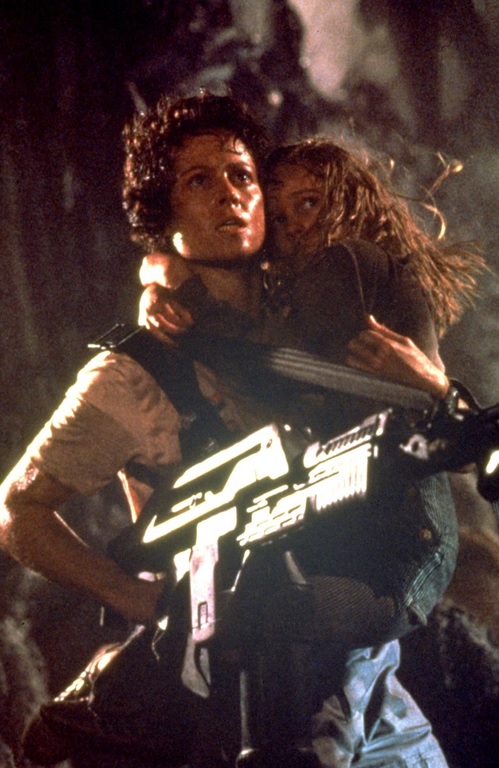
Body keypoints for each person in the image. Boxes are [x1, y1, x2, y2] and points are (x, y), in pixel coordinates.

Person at [0, 92, 463, 768]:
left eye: (242, 174)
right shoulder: (137, 371)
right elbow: (19, 509)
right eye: (198, 180)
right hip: (247, 693)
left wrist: (436, 389)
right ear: (164, 215)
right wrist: (130, 595)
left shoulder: (309, 315)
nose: (230, 193)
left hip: (368, 673)